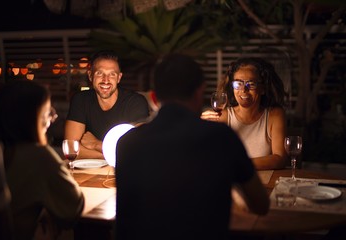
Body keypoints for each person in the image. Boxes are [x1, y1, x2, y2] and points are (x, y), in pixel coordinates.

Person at [115, 54, 270, 240]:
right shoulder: (222, 138)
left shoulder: (126, 143)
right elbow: (261, 205)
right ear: (200, 91)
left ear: (154, 97)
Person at [0, 80, 84, 240]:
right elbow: (72, 209)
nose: (53, 118)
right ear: (31, 118)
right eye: (47, 113)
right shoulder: (38, 156)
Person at [201, 57, 288, 170]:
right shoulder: (224, 116)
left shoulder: (274, 115)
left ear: (263, 89)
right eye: (238, 84)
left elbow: (280, 159)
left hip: (265, 183)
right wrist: (198, 128)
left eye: (250, 84)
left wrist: (239, 164)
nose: (243, 90)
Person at [65, 50, 150, 159]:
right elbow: (71, 150)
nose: (106, 80)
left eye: (112, 74)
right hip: (91, 170)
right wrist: (114, 155)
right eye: (100, 73)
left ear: (119, 78)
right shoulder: (80, 100)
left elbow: (138, 150)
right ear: (90, 76)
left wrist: (97, 144)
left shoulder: (135, 103)